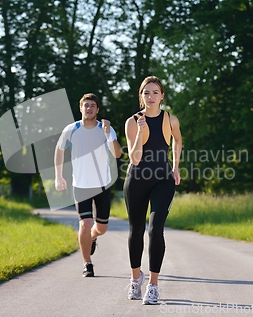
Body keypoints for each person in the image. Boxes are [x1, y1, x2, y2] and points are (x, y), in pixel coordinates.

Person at [123, 76, 182, 304]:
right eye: (146, 93)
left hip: (162, 180)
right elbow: (135, 159)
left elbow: (177, 141)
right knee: (136, 230)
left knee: (155, 230)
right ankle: (135, 279)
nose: (151, 97)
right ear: (141, 96)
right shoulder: (132, 121)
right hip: (137, 179)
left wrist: (175, 167)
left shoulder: (170, 120)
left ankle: (153, 285)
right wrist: (140, 131)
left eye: (155, 92)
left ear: (162, 96)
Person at [55, 93, 122, 277]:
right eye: (86, 105)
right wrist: (58, 176)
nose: (89, 108)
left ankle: (92, 237)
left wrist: (109, 135)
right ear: (81, 108)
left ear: (97, 110)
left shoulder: (106, 129)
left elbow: (117, 154)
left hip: (102, 185)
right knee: (85, 223)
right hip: (81, 186)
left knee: (101, 228)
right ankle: (87, 263)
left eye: (93, 105)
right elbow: (59, 150)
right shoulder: (71, 129)